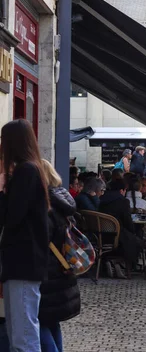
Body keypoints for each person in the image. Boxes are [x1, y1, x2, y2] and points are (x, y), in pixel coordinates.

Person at [0, 119, 49, 351]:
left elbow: (11, 217)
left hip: (23, 262)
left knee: (23, 336)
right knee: (19, 332)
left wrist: (2, 189)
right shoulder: (30, 170)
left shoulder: (26, 171)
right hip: (22, 263)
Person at [39, 160, 81, 352]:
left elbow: (40, 239)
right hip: (63, 267)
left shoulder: (46, 206)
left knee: (39, 321)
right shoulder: (63, 202)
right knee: (51, 321)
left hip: (48, 271)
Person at [99, 179, 141, 277]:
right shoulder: (123, 202)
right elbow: (128, 222)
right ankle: (118, 262)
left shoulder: (101, 200)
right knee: (137, 241)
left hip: (100, 235)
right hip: (117, 235)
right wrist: (133, 231)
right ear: (122, 190)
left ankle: (115, 263)